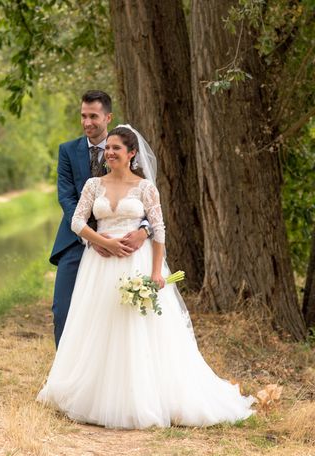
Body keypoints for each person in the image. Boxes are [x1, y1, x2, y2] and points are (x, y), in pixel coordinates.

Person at [37, 126, 255, 428]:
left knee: (136, 326)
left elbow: (159, 230)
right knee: (98, 323)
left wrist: (155, 272)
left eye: (117, 148)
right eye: (108, 148)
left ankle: (138, 396)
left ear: (131, 154)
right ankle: (94, 392)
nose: (110, 153)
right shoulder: (92, 185)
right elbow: (76, 221)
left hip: (135, 264)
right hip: (98, 264)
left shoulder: (145, 188)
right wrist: (103, 242)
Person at [50, 91, 150, 348]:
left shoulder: (122, 148)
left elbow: (145, 194)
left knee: (117, 312)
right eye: (83, 116)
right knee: (63, 310)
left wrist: (144, 229)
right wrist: (93, 238)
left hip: (122, 244)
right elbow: (67, 199)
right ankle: (65, 374)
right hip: (76, 240)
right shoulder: (67, 151)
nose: (87, 122)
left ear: (108, 117)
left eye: (93, 116)